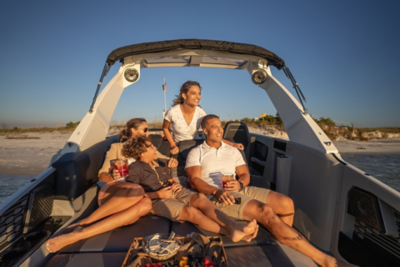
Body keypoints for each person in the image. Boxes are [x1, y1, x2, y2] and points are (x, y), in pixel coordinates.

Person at [185, 114, 346, 267]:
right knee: (265, 211)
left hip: (238, 188)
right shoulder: (196, 152)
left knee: (286, 204)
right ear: (205, 131)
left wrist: (240, 184)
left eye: (221, 126)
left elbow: (245, 175)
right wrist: (216, 191)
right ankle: (326, 261)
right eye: (214, 127)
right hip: (218, 195)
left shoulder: (233, 150)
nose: (220, 130)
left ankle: (282, 241)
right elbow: (195, 181)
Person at [45, 118, 176, 253]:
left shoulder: (148, 147)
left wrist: (171, 162)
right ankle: (85, 222)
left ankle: (79, 234)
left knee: (146, 204)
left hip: (137, 198)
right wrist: (112, 176)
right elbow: (102, 176)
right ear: (133, 130)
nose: (148, 133)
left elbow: (162, 158)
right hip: (114, 191)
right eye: (145, 130)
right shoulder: (117, 148)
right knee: (137, 189)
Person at [123, 136, 259, 243]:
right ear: (142, 153)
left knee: (200, 198)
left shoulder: (159, 163)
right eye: (151, 146)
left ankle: (233, 225)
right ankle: (231, 232)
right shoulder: (135, 168)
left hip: (175, 190)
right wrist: (158, 194)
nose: (155, 148)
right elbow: (133, 194)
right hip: (157, 199)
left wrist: (173, 183)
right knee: (190, 211)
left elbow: (169, 179)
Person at [162, 81, 244, 155]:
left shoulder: (201, 113)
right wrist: (172, 145)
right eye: (193, 93)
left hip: (196, 145)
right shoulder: (172, 112)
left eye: (199, 93)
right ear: (184, 95)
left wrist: (232, 144)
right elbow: (165, 128)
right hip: (178, 146)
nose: (198, 97)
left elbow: (212, 133)